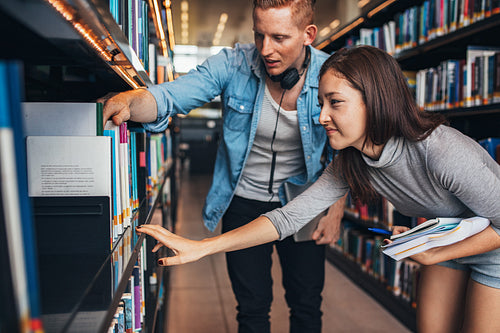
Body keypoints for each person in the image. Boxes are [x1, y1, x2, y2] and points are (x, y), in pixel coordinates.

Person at [135, 45, 500, 333]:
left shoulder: (440, 151)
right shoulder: (352, 161)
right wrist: (203, 247)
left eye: (335, 103)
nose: (321, 115)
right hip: (448, 242)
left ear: (374, 101)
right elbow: (287, 217)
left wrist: (434, 253)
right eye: (322, 101)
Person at [101, 1, 346, 332]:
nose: (266, 49)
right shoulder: (234, 64)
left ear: (308, 34)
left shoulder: (331, 74)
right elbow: (169, 97)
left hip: (303, 204)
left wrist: (335, 211)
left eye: (279, 37)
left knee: (306, 303)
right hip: (243, 203)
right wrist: (131, 101)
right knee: (251, 307)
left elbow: (346, 147)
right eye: (259, 35)